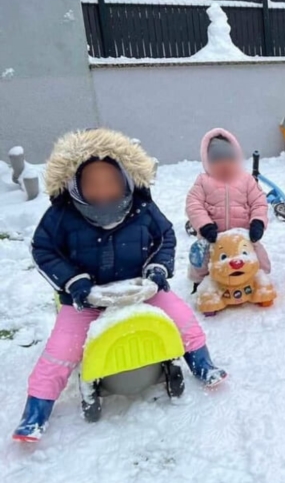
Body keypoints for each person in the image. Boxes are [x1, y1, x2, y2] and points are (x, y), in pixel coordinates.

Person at [13, 128, 226, 443]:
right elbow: (43, 249)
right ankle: (36, 412)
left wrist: (156, 267)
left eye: (110, 181)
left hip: (142, 288)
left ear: (126, 179)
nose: (102, 190)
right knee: (62, 349)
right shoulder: (62, 215)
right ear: (75, 184)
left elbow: (165, 236)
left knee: (182, 318)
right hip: (85, 298)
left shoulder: (142, 207)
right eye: (92, 183)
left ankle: (202, 364)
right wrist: (73, 280)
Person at [186, 128, 270, 290]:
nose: (224, 165)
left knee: (259, 256)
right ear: (207, 162)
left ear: (237, 159)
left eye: (229, 160)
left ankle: (259, 277)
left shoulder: (246, 180)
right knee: (201, 258)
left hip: (243, 235)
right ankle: (200, 283)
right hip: (213, 236)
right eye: (217, 161)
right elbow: (193, 204)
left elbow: (259, 202)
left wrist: (258, 222)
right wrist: (204, 226)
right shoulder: (203, 181)